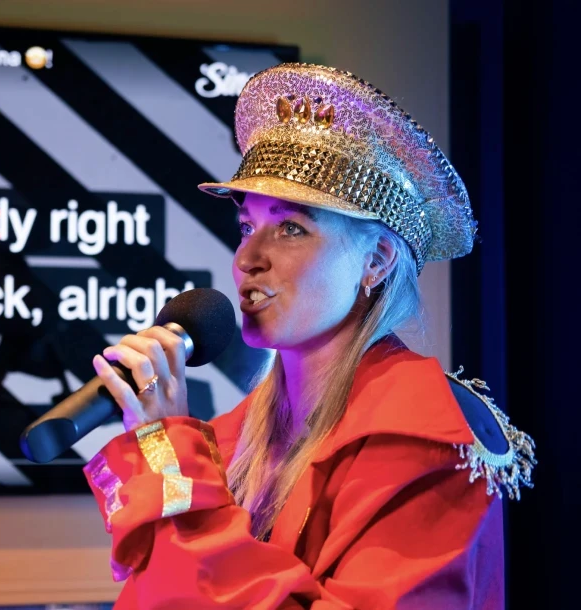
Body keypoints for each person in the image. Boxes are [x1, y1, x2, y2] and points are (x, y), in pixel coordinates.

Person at [84, 64, 536, 609]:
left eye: (291, 228)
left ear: (376, 260)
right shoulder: (231, 440)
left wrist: (170, 454)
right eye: (247, 227)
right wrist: (163, 449)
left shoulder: (426, 436)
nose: (248, 258)